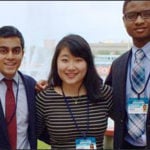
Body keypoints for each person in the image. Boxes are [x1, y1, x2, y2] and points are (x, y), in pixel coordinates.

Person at [36, 34, 112, 149]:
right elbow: (32, 134)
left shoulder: (104, 94)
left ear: (88, 63)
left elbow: (126, 122)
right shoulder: (45, 98)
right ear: (56, 62)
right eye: (65, 60)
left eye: (78, 60)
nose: (71, 67)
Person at [105, 1, 150, 149]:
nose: (139, 21)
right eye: (131, 16)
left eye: (146, 14)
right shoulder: (118, 65)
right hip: (125, 145)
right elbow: (107, 100)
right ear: (124, 20)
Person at [0, 25, 37, 149]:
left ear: (22, 53)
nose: (10, 57)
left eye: (16, 51)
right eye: (3, 51)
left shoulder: (31, 86)